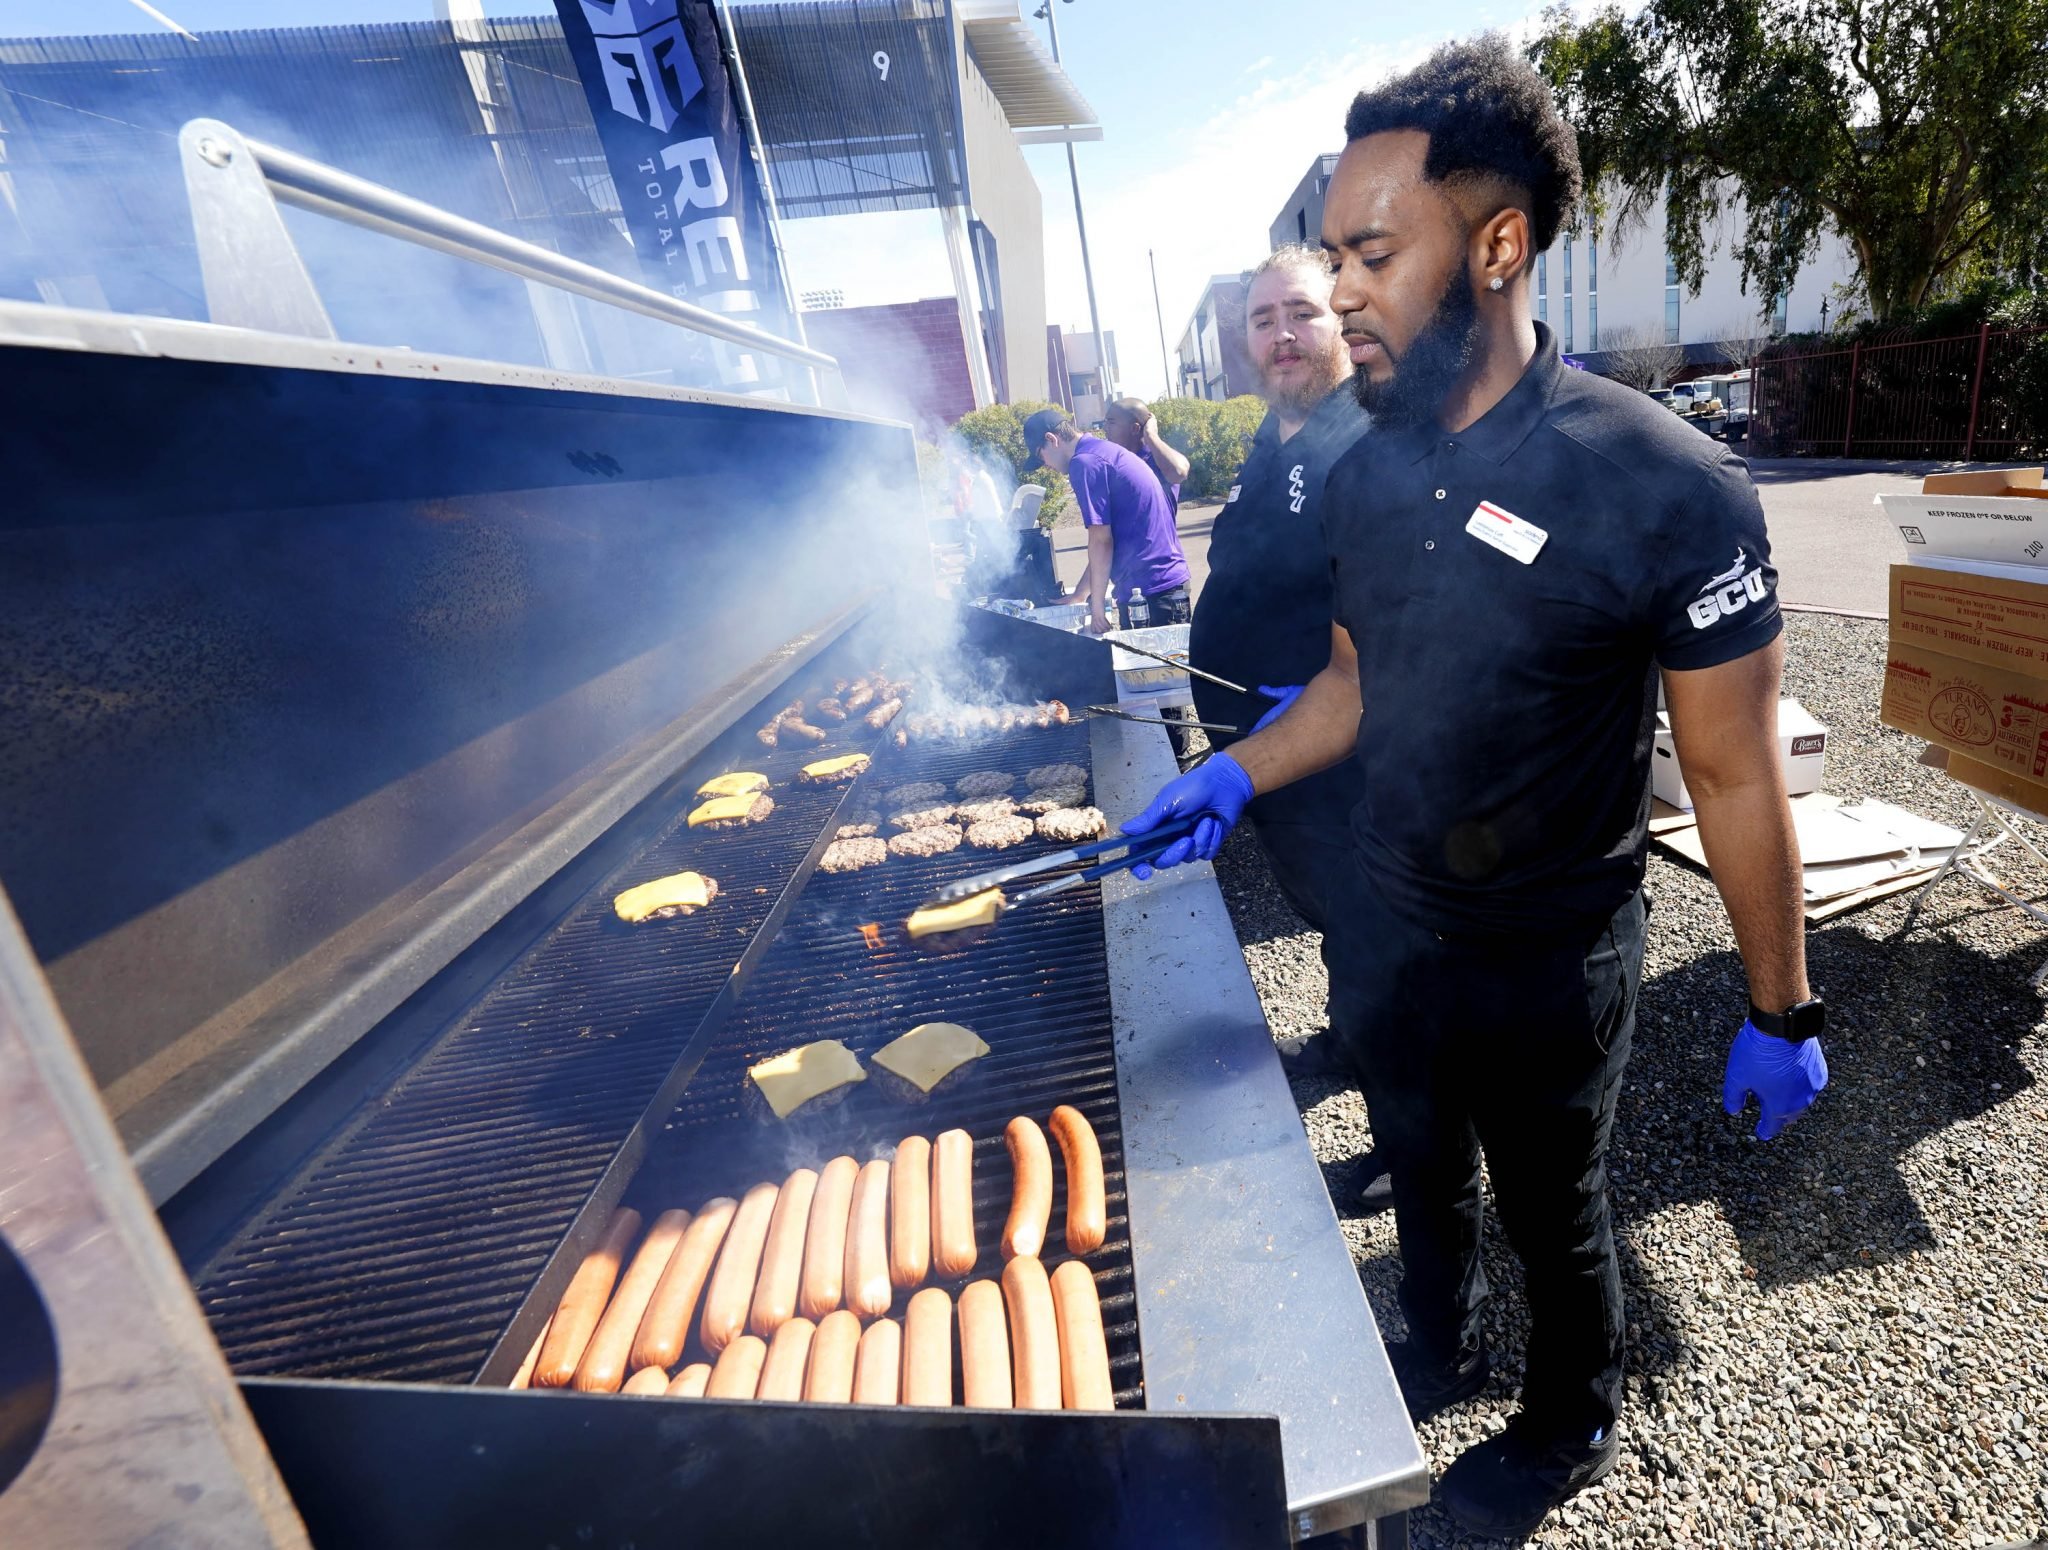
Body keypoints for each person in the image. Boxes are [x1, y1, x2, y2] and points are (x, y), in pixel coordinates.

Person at [1119, 37, 1826, 1539]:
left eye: (1375, 251)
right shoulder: (1369, 468)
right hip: (1391, 919)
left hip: (1553, 949)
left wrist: (1782, 1003)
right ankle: (1430, 1344)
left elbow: (1733, 770)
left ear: (1498, 245)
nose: (1346, 289)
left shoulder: (1668, 485)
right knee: (1420, 1160)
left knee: (1555, 1201)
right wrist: (1235, 773)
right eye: (1334, 254)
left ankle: (1570, 1415)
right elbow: (1356, 682)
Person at [1023, 407, 1191, 634]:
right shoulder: (1100, 451)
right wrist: (1082, 593)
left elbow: (1101, 540)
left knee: (1159, 669)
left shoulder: (1084, 464)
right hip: (1163, 586)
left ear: (1051, 440)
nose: (1046, 466)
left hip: (1151, 592)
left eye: (1040, 457)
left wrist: (1098, 606)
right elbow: (1108, 540)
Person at [1102, 396, 1191, 516]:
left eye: (1111, 422)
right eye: (1105, 422)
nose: (1105, 428)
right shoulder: (1112, 463)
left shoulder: (1158, 458)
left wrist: (1151, 435)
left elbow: (1179, 472)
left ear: (1135, 428)